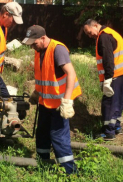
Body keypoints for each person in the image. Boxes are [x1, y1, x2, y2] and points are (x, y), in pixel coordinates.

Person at [22, 25, 82, 174]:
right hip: (45, 102)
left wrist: (67, 101)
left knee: (58, 136)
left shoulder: (58, 49)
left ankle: (70, 172)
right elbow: (45, 76)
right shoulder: (39, 50)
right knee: (42, 132)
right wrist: (37, 92)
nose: (32, 47)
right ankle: (43, 164)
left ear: (43, 38)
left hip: (59, 103)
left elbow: (71, 73)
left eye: (34, 43)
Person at [83, 19, 123, 141]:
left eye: (89, 31)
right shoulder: (109, 33)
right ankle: (116, 127)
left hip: (118, 74)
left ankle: (108, 132)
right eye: (87, 34)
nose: (89, 35)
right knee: (118, 101)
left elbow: (108, 59)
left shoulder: (104, 36)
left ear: (95, 25)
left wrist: (107, 79)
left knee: (109, 102)